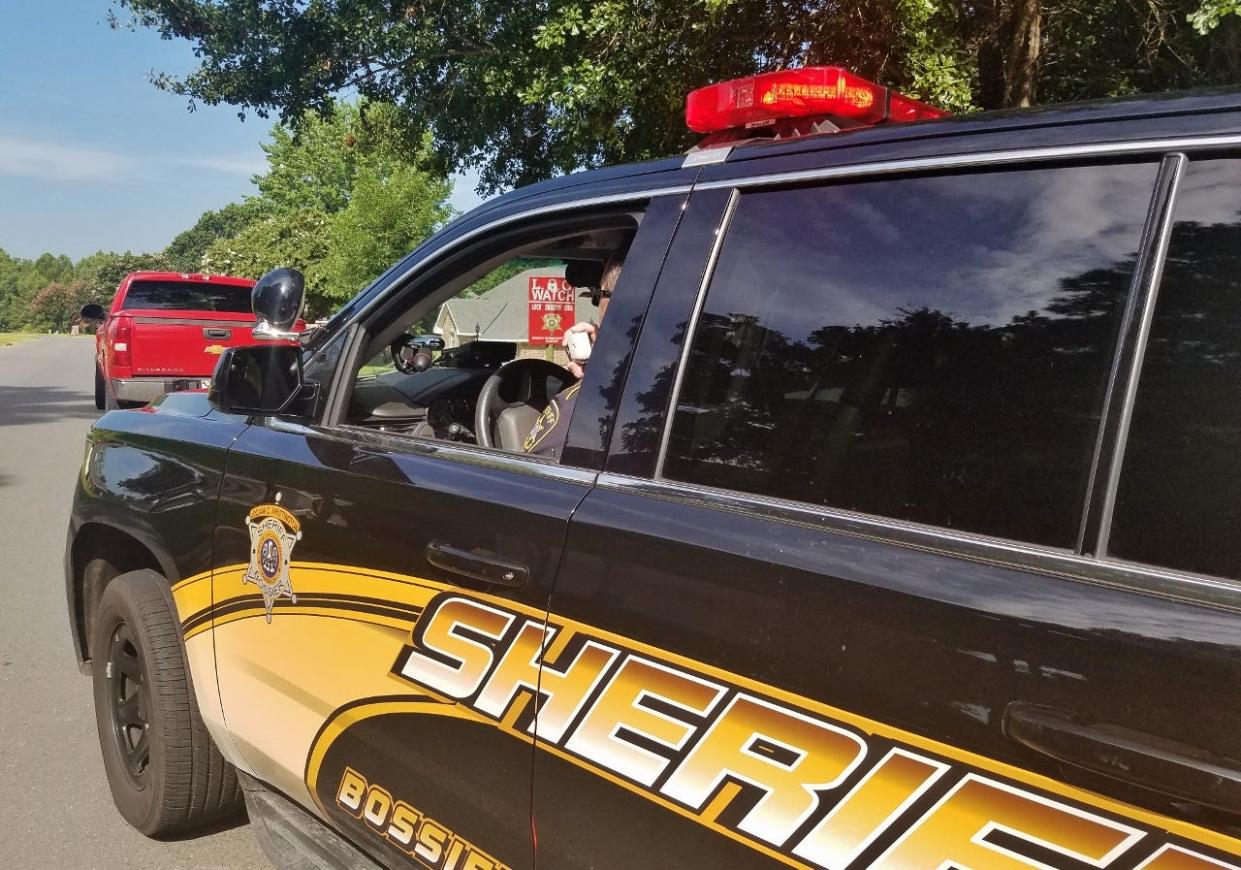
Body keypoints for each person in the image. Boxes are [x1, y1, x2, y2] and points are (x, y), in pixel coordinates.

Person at [523, 255, 622, 458]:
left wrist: (594, 383)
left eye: (597, 295)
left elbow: (524, 476)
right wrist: (605, 364)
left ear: (615, 301)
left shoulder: (579, 413)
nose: (595, 306)